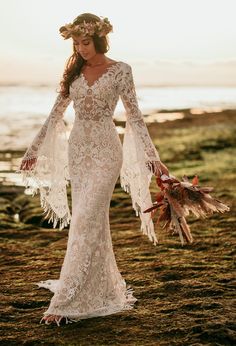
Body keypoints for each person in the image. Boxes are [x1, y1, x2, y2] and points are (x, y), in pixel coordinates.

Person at [17, 13, 169, 326]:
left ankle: (66, 299)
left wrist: (152, 158)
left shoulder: (121, 71)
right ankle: (100, 288)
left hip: (106, 152)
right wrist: (33, 149)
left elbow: (134, 117)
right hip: (79, 152)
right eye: (75, 43)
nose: (81, 48)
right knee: (89, 221)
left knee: (87, 216)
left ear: (98, 39)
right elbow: (55, 113)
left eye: (85, 42)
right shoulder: (74, 71)